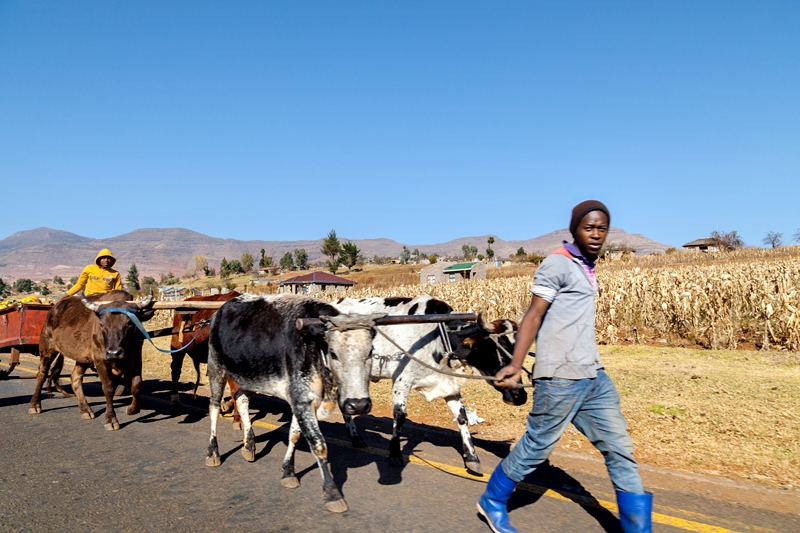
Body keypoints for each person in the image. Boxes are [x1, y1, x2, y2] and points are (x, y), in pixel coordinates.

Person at [477, 200, 652, 533]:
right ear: (575, 230)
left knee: (620, 450)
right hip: (559, 378)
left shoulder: (586, 265)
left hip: (593, 377)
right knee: (535, 448)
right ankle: (492, 500)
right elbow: (533, 315)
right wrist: (516, 364)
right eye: (589, 228)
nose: (597, 234)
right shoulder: (557, 264)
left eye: (602, 228)